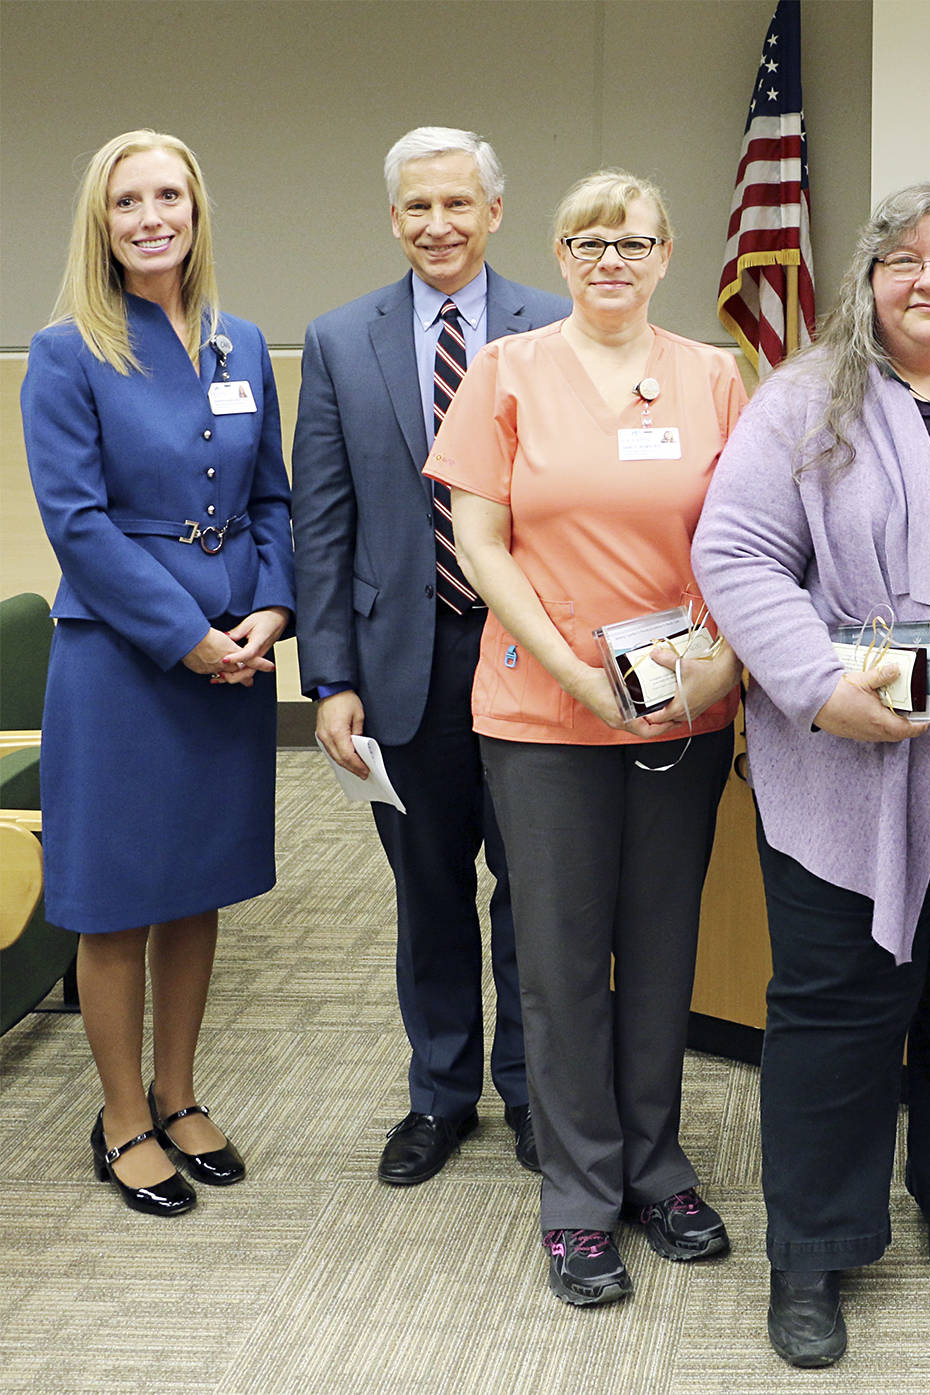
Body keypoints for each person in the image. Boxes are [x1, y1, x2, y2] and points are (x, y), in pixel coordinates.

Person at [691, 184, 930, 1369]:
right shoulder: (807, 398)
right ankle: (811, 1249)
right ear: (867, 279)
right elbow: (738, 550)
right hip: (850, 769)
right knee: (837, 1007)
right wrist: (816, 682)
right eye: (905, 260)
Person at [426, 168, 746, 1308]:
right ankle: (576, 1195)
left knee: (662, 953)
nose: (612, 258)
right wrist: (575, 674)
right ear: (559, 257)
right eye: (589, 240)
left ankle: (655, 1168)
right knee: (560, 965)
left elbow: (749, 536)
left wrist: (715, 660)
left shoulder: (715, 377)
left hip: (684, 706)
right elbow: (481, 541)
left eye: (634, 240)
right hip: (541, 712)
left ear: (668, 256)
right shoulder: (507, 371)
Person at [21, 130, 294, 1215]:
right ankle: (123, 1114)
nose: (150, 216)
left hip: (238, 648)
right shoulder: (68, 350)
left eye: (168, 195)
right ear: (102, 219)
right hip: (126, 661)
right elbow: (77, 527)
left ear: (195, 209)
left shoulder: (241, 341)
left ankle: (180, 1096)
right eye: (128, 199)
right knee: (118, 902)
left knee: (198, 886)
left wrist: (273, 607)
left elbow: (271, 498)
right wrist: (187, 635)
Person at [292, 127, 565, 1187]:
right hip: (401, 664)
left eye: (458, 204)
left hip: (530, 657)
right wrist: (332, 678)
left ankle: (537, 1091)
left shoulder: (556, 323)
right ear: (392, 217)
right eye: (417, 208)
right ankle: (440, 1096)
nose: (438, 226)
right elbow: (322, 520)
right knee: (430, 892)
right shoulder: (335, 339)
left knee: (536, 888)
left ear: (496, 212)